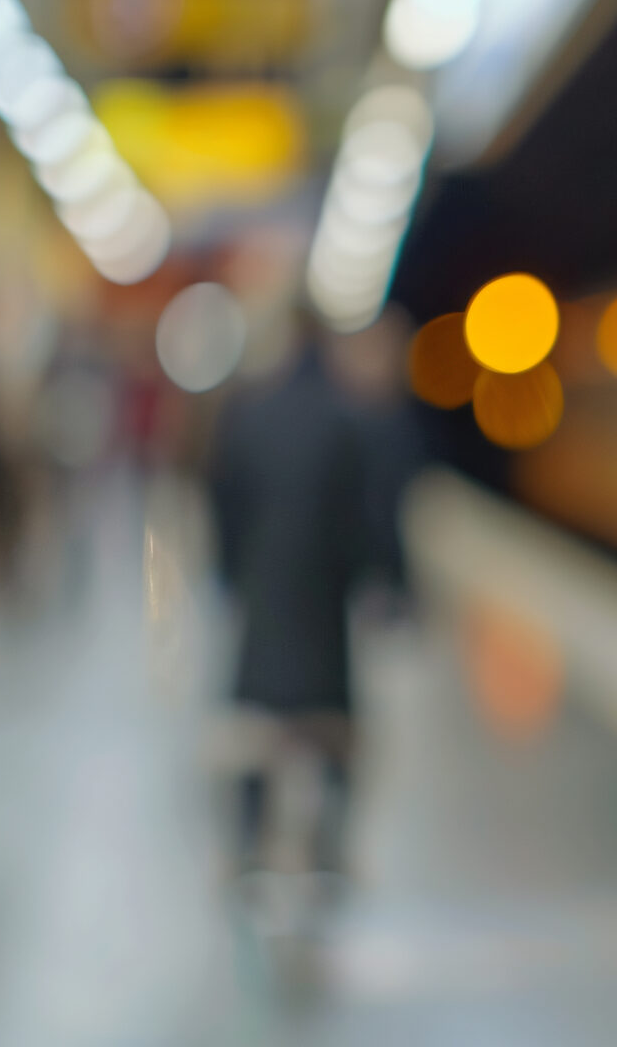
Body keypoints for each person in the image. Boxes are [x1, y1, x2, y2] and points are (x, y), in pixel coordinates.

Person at [206, 316, 370, 877]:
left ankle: (252, 839)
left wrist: (230, 573)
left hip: (263, 590)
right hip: (323, 599)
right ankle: (328, 840)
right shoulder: (345, 417)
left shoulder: (249, 413)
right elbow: (365, 516)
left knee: (256, 724)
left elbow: (222, 500)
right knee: (331, 725)